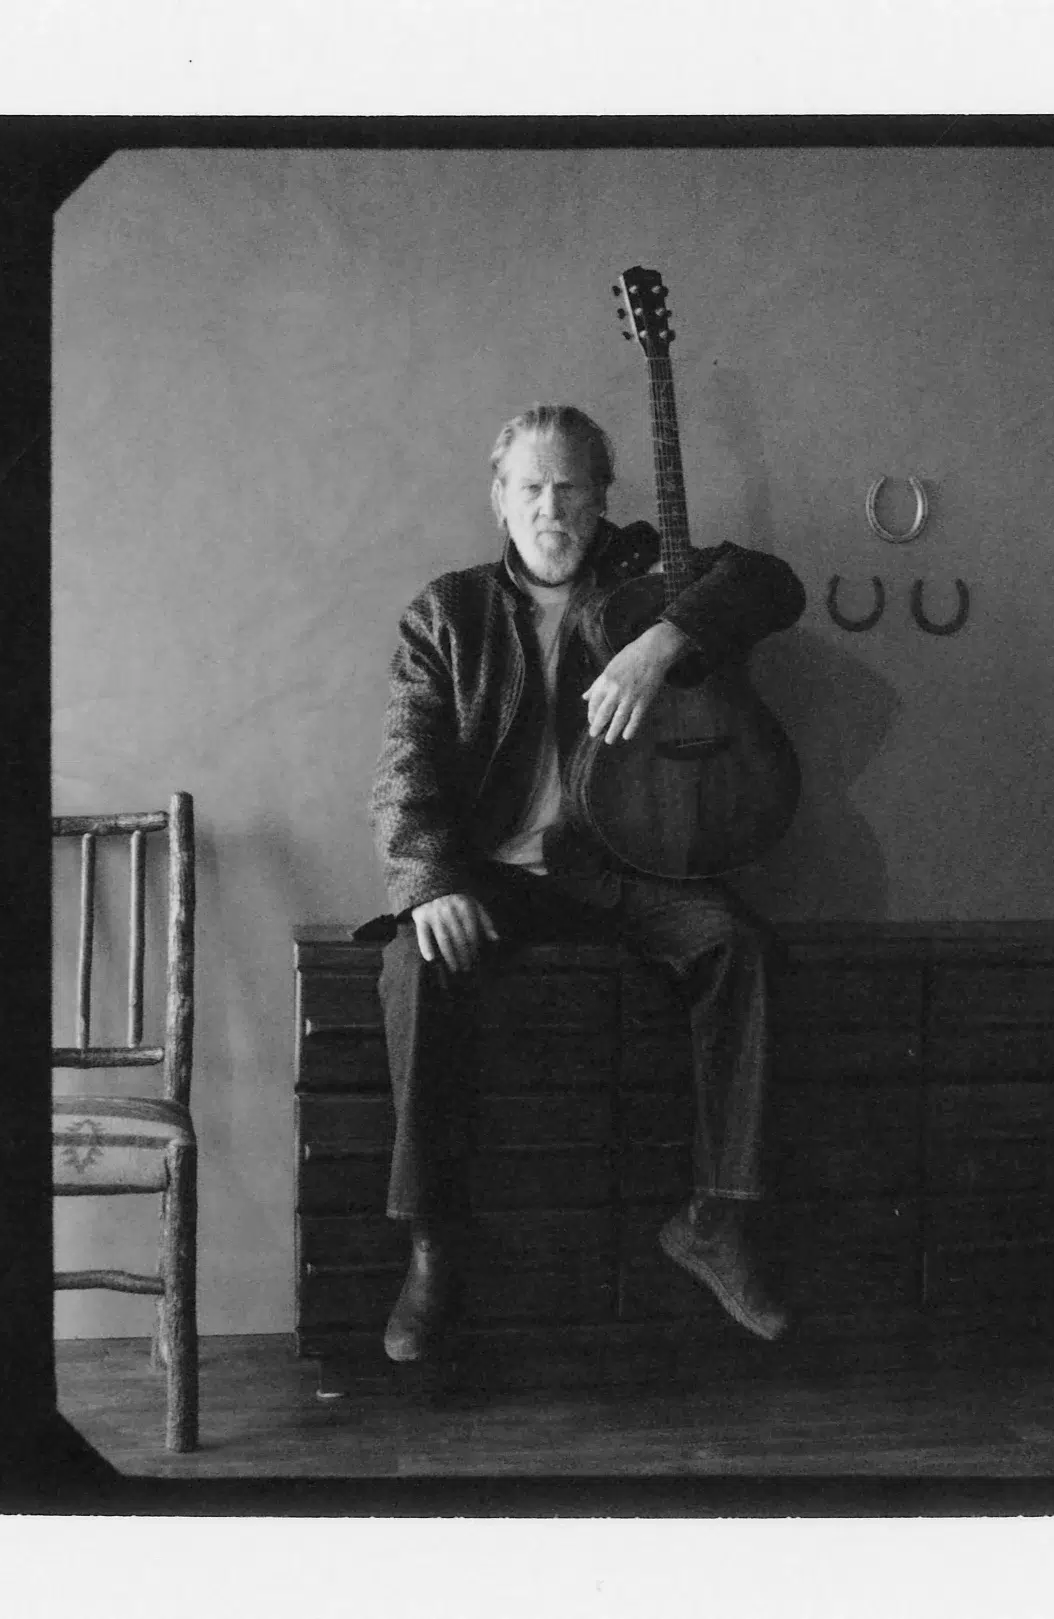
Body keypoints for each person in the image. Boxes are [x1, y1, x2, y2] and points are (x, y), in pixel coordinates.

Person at [364, 402, 806, 1362]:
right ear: (499, 498)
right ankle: (432, 1244)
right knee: (412, 964)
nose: (550, 508)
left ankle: (715, 1219)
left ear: (603, 497)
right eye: (530, 487)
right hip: (495, 879)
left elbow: (772, 584)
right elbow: (404, 769)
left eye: (570, 487)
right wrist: (430, 881)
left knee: (737, 944)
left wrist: (665, 638)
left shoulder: (650, 579)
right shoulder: (448, 612)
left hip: (626, 871)